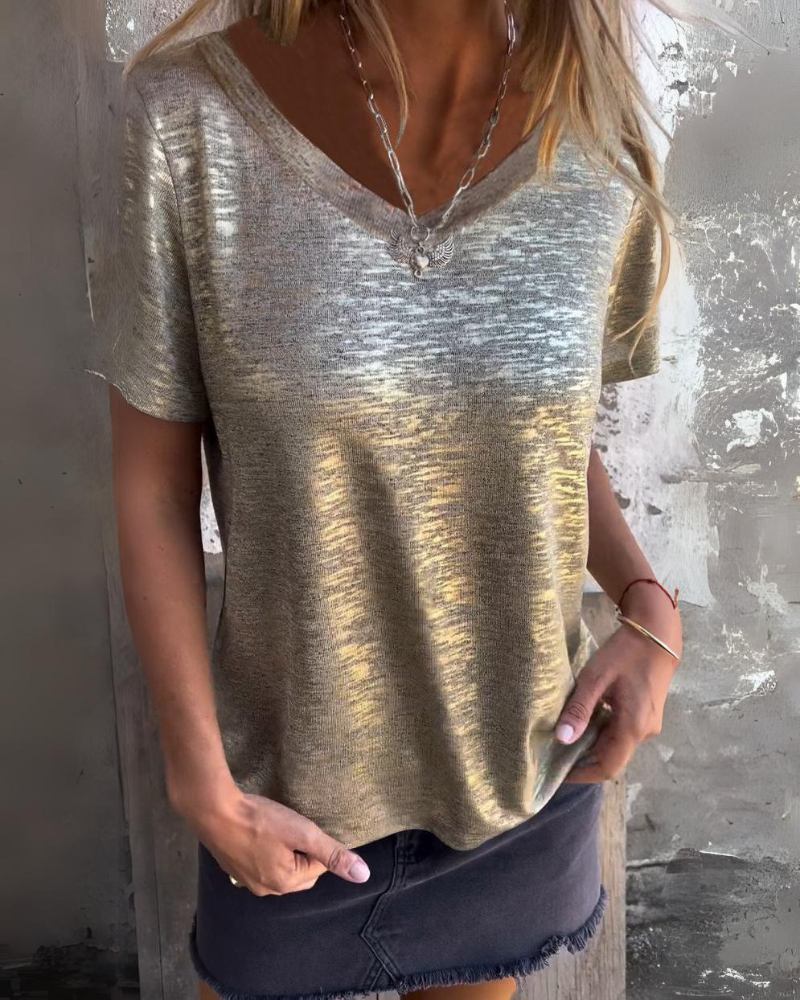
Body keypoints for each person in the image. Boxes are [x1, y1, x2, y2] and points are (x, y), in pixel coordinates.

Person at [87, 0, 741, 997]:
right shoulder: (190, 116)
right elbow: (152, 485)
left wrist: (647, 605)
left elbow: (529, 438)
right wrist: (202, 783)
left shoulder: (594, 131)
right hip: (285, 800)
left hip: (523, 778)